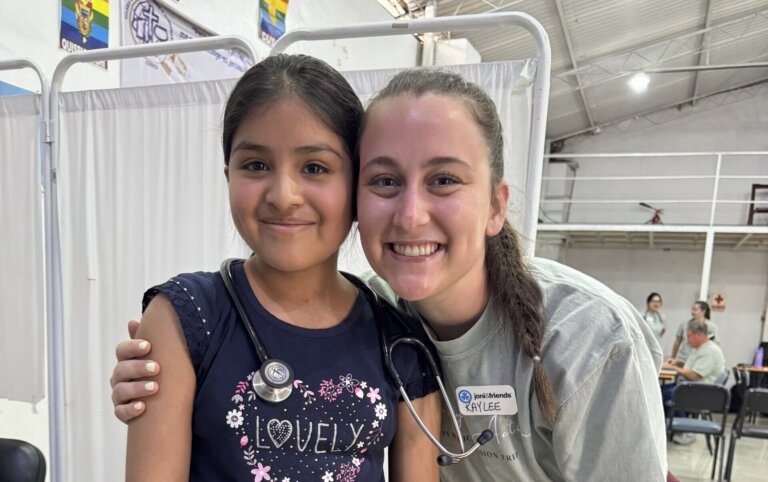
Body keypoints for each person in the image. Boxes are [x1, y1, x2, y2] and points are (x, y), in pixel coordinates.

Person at [112, 68, 668, 480]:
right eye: (385, 181)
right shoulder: (380, 316)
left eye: (445, 180)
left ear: (497, 206)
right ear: (360, 195)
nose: (410, 215)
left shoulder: (590, 344)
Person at [123, 54, 441, 482]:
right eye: (256, 165)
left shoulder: (401, 342)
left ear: (357, 182)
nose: (284, 195)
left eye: (315, 168)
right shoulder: (185, 317)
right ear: (228, 175)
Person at [661, 320, 725, 445]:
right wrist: (677, 364)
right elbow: (690, 366)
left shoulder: (710, 351)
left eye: (689, 336)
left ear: (699, 335)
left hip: (699, 391)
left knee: (666, 395)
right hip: (691, 387)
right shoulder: (700, 348)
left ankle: (684, 430)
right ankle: (670, 427)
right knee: (661, 392)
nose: (687, 340)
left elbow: (695, 375)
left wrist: (675, 369)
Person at [667, 301, 718, 365]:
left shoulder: (711, 326)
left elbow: (714, 344)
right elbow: (677, 341)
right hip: (683, 359)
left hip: (700, 360)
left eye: (695, 310)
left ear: (703, 311)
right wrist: (672, 357)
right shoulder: (685, 324)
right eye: (692, 309)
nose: (692, 312)